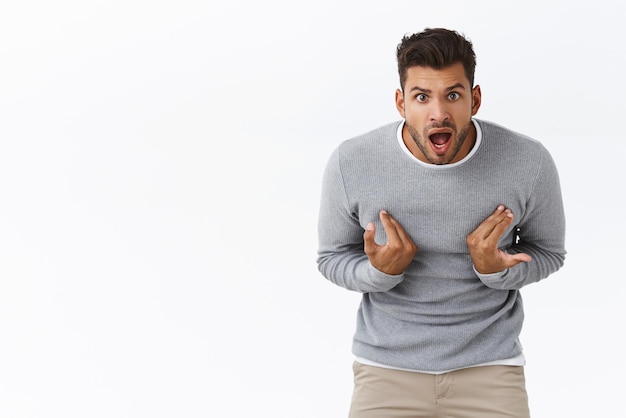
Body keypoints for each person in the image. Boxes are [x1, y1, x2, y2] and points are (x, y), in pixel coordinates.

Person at [316, 28, 566, 418]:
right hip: (386, 370)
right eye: (421, 96)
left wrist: (496, 269)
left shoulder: (528, 161)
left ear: (475, 99)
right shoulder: (352, 163)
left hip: (490, 368)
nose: (438, 113)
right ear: (401, 103)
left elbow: (549, 252)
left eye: (453, 94)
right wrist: (378, 273)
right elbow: (331, 257)